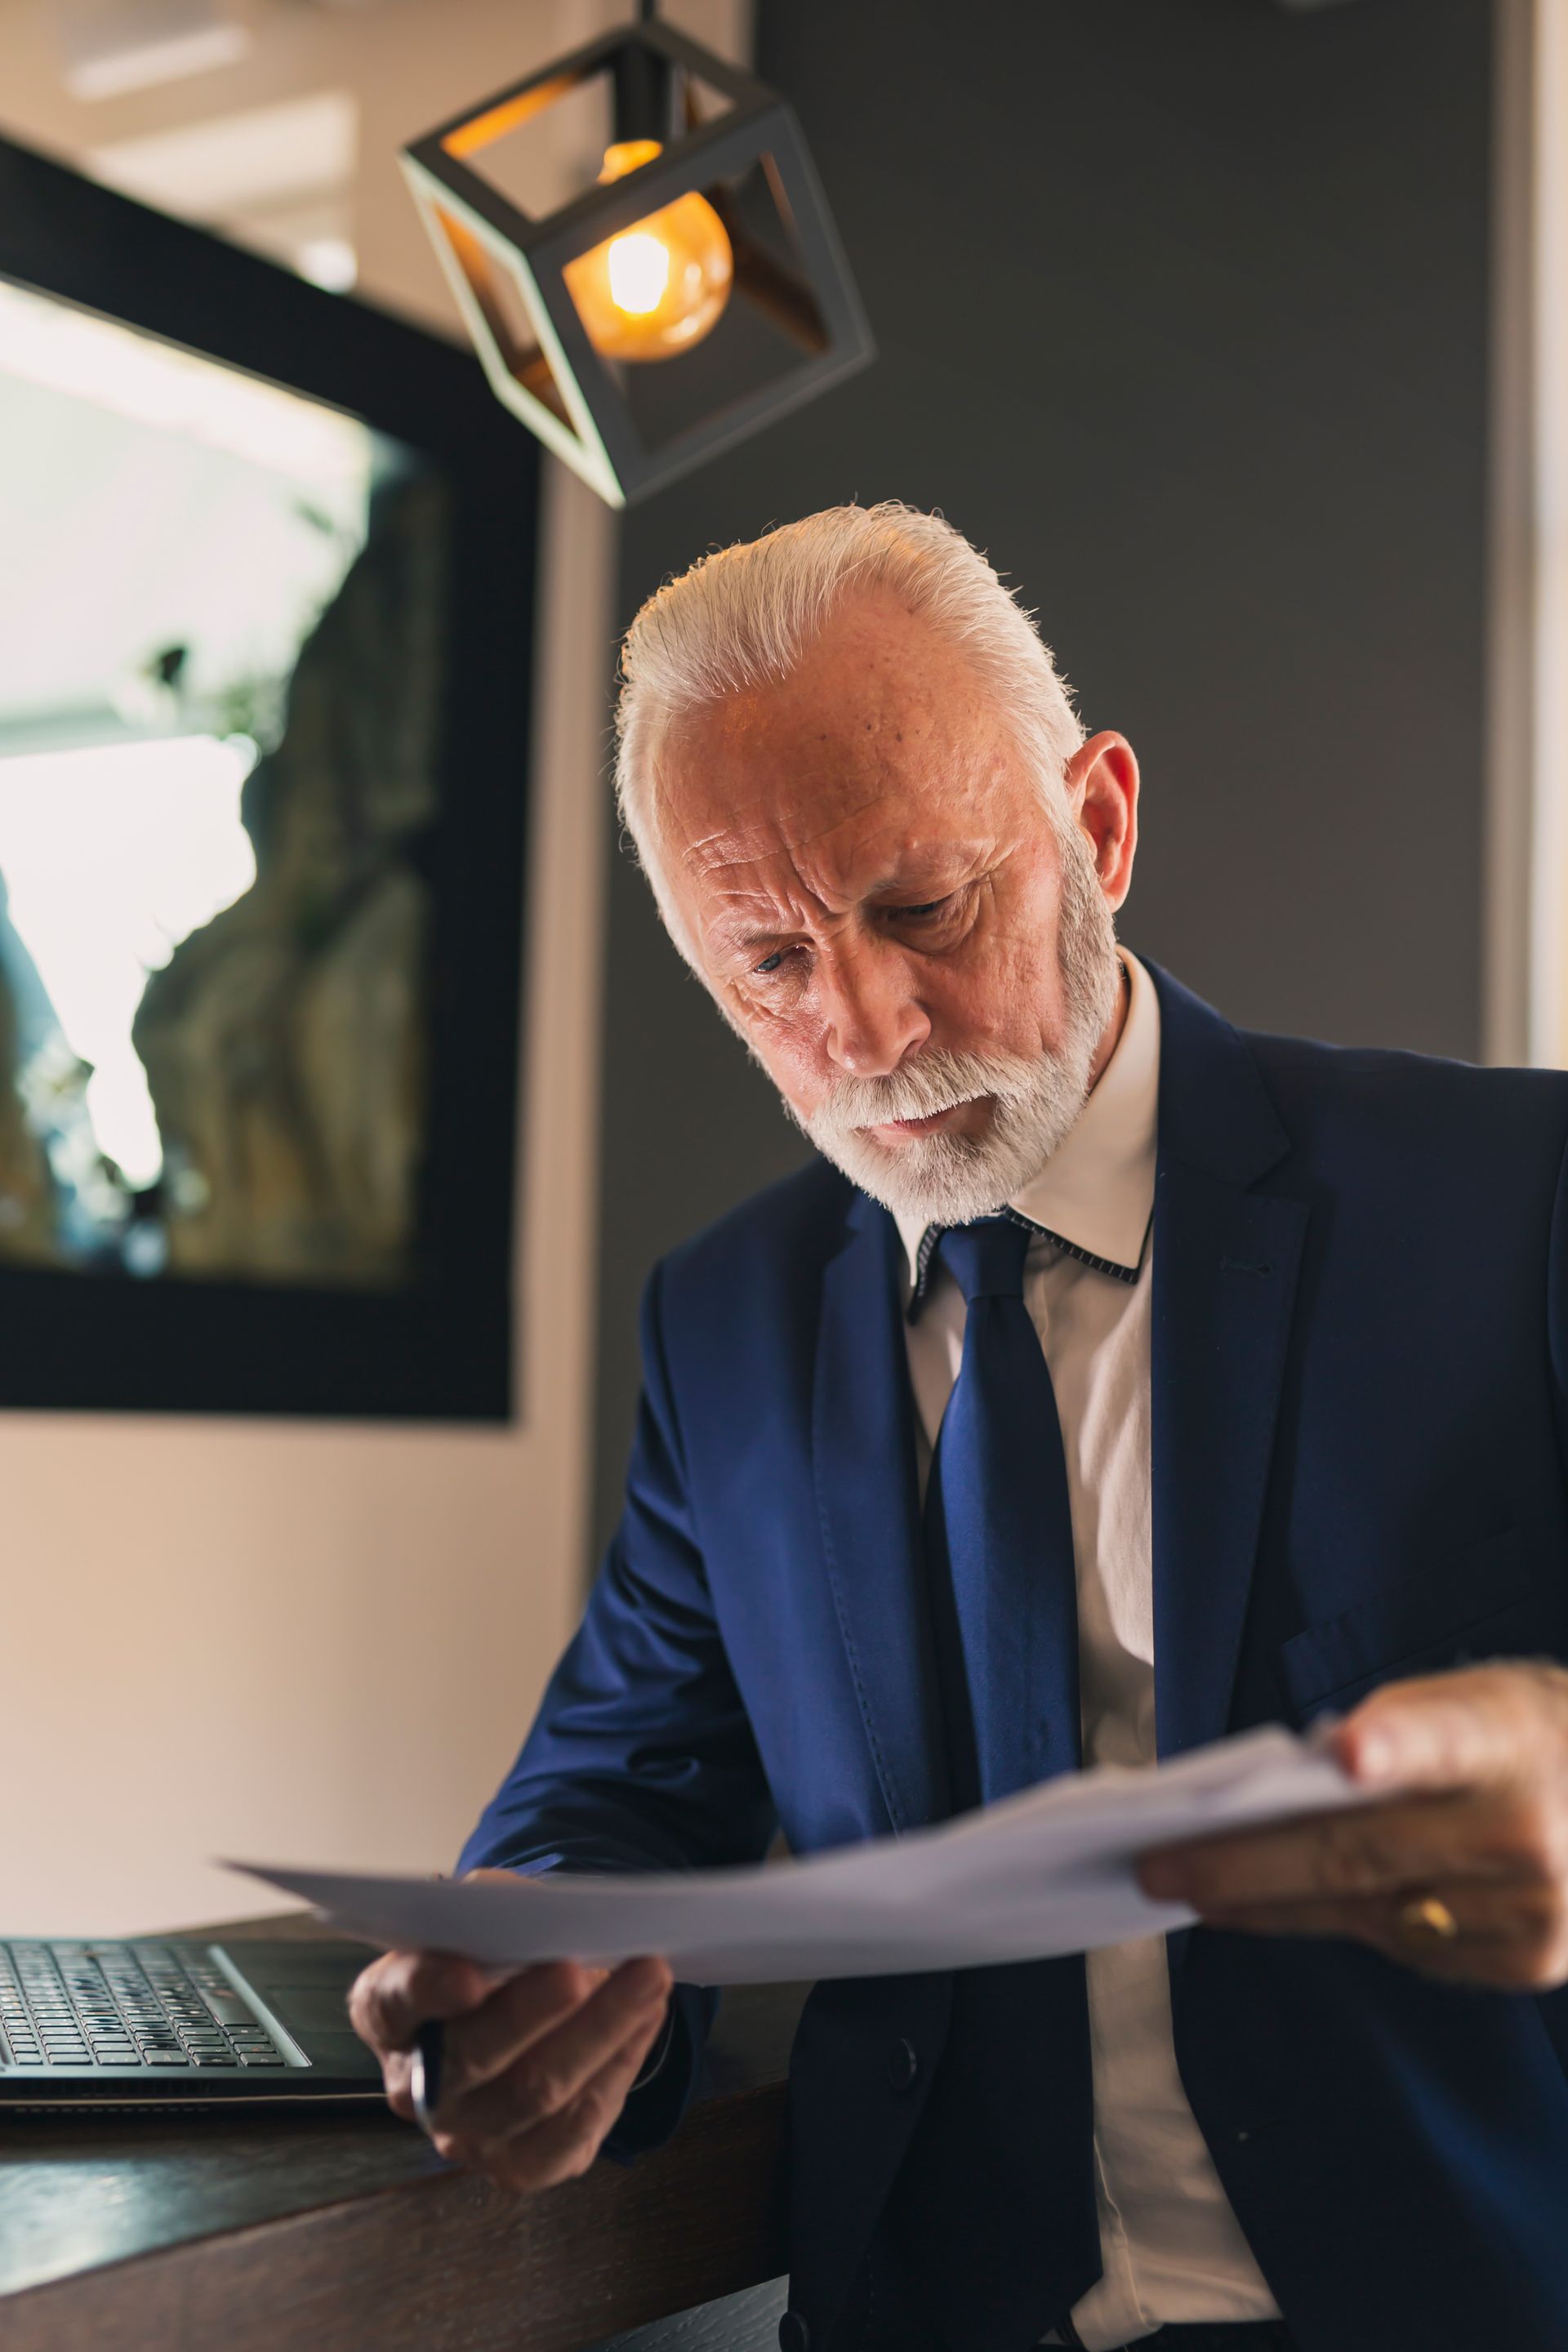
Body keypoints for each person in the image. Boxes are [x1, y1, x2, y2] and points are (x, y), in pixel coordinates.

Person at [350, 504, 1568, 2352]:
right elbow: (625, 1772)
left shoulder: (1515, 1198)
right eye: (765, 964)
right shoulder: (725, 1319)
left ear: (1097, 823)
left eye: (923, 905)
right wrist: (534, 1948)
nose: (866, 1024)